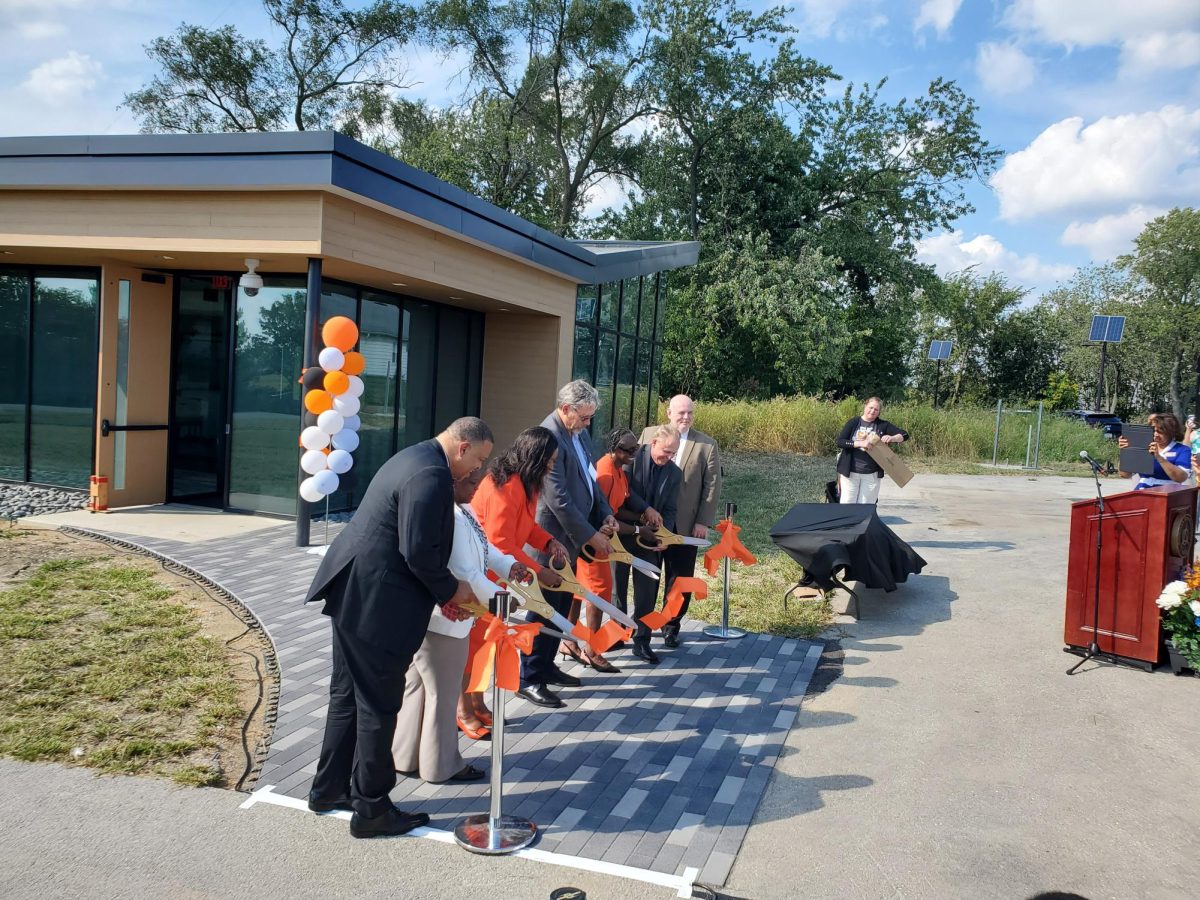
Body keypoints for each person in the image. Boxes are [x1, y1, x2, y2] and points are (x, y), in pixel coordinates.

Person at [304, 417, 492, 838]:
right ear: (462, 447)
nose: (476, 471)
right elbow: (419, 552)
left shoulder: (418, 455)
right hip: (376, 604)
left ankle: (329, 789)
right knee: (378, 704)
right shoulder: (431, 474)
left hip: (355, 593)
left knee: (348, 698)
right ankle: (372, 809)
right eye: (477, 460)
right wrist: (453, 592)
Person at [391, 467, 528, 783]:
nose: (476, 487)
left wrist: (510, 565)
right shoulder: (449, 517)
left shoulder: (462, 510)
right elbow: (468, 573)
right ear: (451, 482)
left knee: (419, 688)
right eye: (470, 481)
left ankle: (405, 755)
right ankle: (442, 766)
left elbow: (485, 550)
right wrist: (505, 599)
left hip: (444, 617)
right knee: (443, 694)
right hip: (445, 621)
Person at [518, 381, 618, 708]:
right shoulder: (547, 437)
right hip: (549, 541)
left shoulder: (580, 435)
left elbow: (591, 481)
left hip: (572, 541)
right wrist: (592, 536)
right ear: (566, 409)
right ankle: (528, 679)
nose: (589, 423)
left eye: (590, 417)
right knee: (542, 611)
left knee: (560, 609)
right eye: (585, 417)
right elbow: (558, 500)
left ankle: (547, 667)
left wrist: (605, 514)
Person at [468, 426, 569, 724]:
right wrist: (540, 572)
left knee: (489, 643)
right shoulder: (505, 485)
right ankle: (466, 707)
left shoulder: (529, 483)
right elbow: (501, 544)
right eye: (549, 459)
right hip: (483, 574)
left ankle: (477, 702)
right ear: (534, 457)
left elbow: (527, 527)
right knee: (478, 644)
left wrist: (548, 542)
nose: (552, 465)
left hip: (501, 575)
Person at [571, 428, 662, 672]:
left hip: (599, 536)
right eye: (628, 449)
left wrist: (646, 511)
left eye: (636, 449)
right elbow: (605, 517)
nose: (633, 454)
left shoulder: (619, 470)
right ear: (614, 448)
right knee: (598, 593)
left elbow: (627, 497)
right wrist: (637, 530)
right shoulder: (606, 474)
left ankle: (568, 642)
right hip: (593, 540)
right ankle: (592, 649)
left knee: (579, 591)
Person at [640, 394, 721, 648]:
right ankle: (644, 624)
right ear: (668, 413)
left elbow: (712, 486)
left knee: (679, 577)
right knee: (648, 575)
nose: (686, 417)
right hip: (651, 522)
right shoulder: (648, 434)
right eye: (681, 413)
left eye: (690, 413)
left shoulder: (706, 445)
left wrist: (703, 522)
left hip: (685, 525)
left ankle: (671, 625)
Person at [618, 424, 681, 665]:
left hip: (650, 539)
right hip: (623, 531)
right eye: (665, 452)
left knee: (647, 590)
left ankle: (642, 641)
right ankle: (616, 632)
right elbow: (623, 493)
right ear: (653, 443)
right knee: (618, 586)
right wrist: (646, 510)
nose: (668, 458)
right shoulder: (630, 459)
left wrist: (665, 535)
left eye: (673, 454)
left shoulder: (675, 473)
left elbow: (671, 508)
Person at [835, 397, 907, 505]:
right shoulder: (853, 422)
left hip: (871, 473)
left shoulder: (883, 425)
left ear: (879, 412)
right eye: (871, 407)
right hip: (850, 472)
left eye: (876, 410)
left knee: (866, 505)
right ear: (865, 406)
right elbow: (840, 442)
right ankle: (848, 522)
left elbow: (905, 435)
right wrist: (858, 443)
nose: (872, 411)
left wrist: (892, 438)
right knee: (847, 503)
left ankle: (863, 522)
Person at [1117, 412, 1190, 490]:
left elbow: (1181, 478)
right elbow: (1125, 474)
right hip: (1142, 491)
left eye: (1160, 431)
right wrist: (1125, 452)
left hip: (1168, 492)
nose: (1155, 434)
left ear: (1171, 432)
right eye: (1153, 430)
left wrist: (1160, 458)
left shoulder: (1182, 450)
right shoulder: (1143, 446)